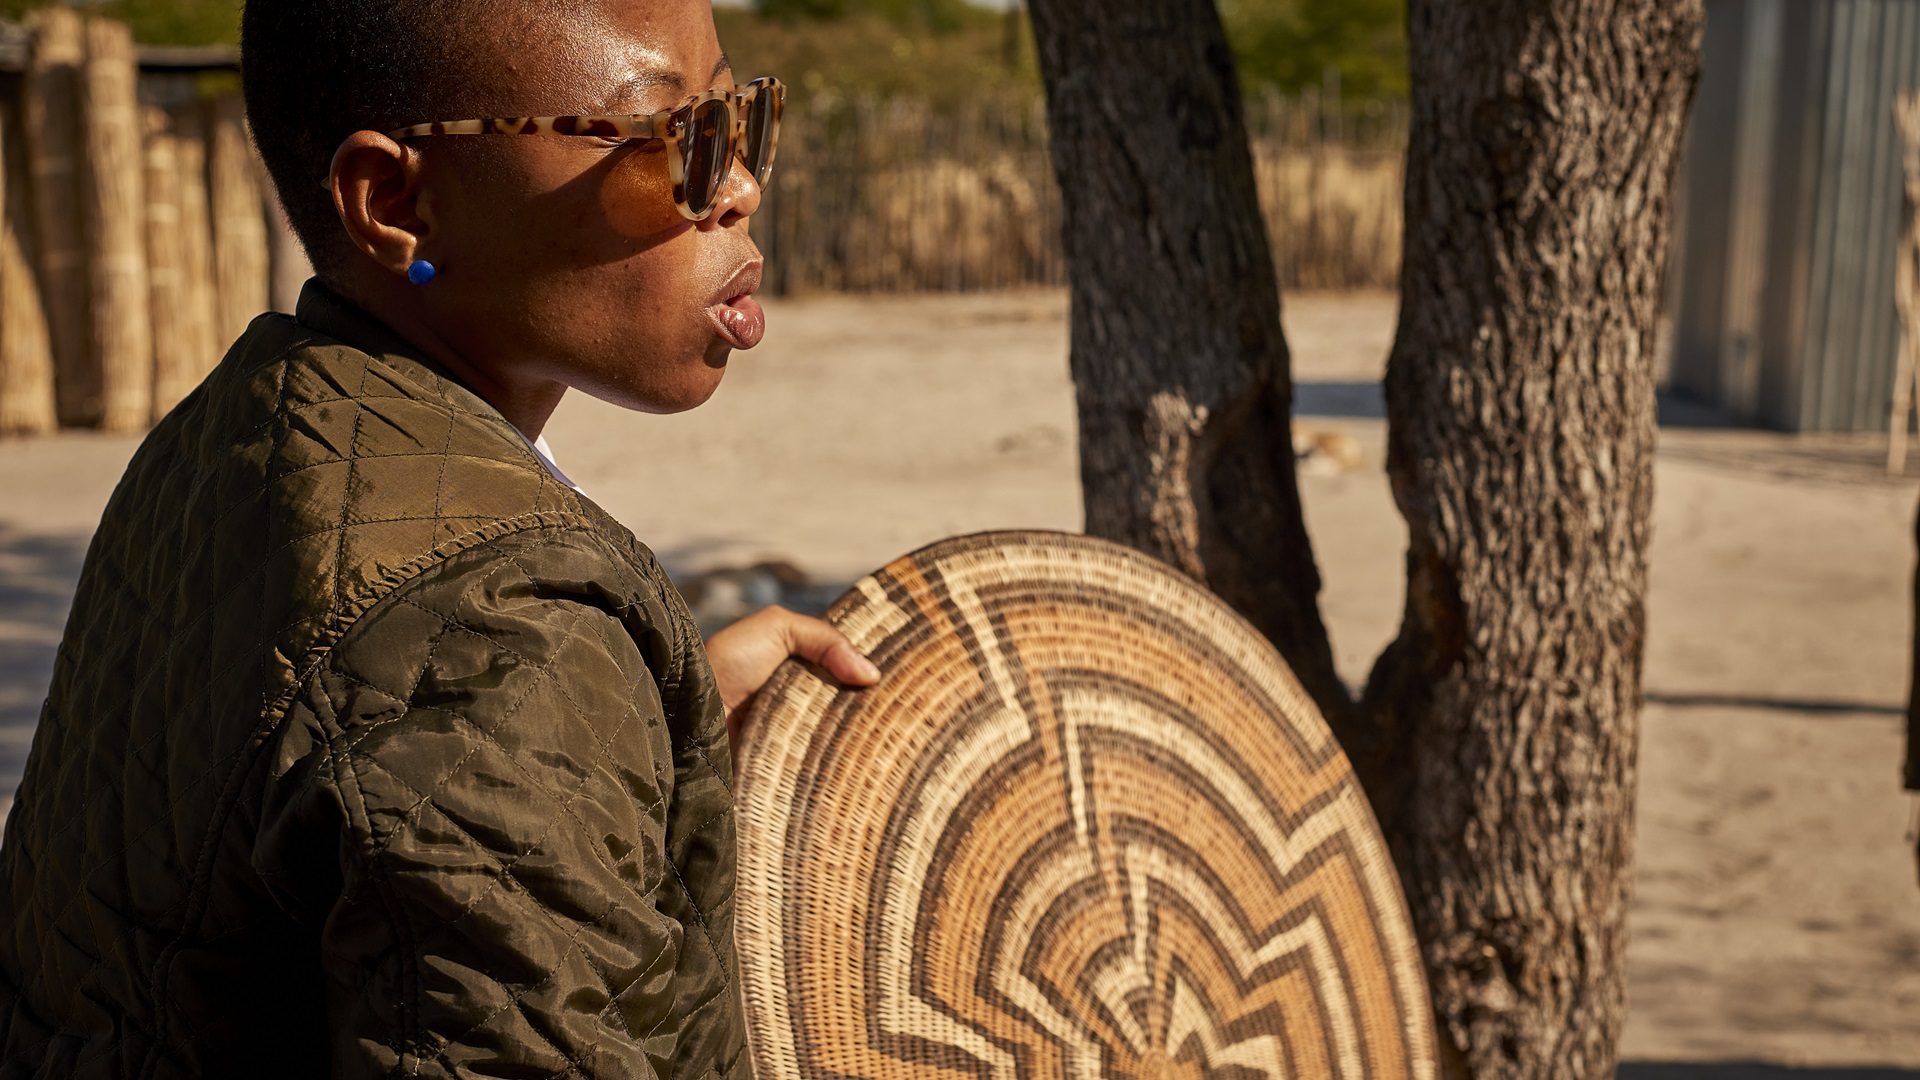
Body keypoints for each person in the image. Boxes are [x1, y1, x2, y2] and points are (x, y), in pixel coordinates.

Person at [0, 0, 879, 1075]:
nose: (738, 184)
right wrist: (551, 696)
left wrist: (638, 726)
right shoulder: (506, 630)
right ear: (398, 203)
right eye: (672, 139)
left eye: (740, 117)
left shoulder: (243, 426)